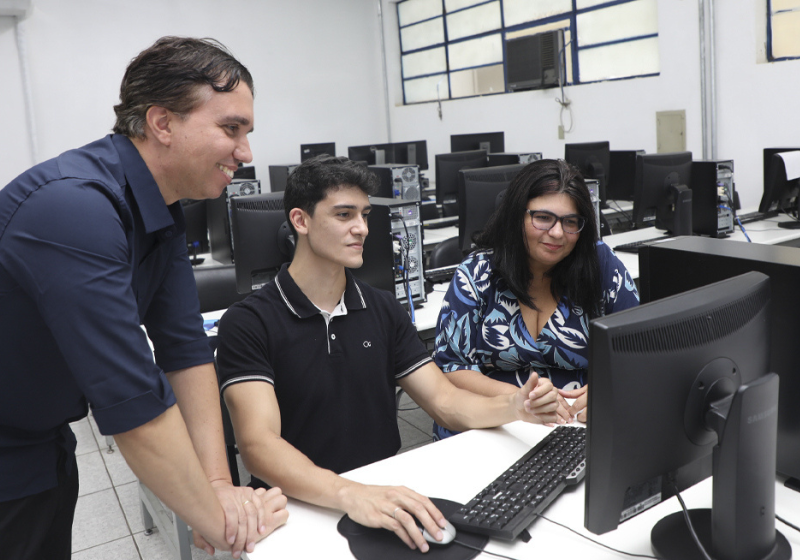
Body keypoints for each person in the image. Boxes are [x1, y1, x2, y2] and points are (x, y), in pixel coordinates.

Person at [0, 36, 288, 560]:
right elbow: (130, 400)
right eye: (231, 129)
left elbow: (185, 347)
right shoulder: (74, 207)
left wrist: (217, 485)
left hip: (42, 440)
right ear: (162, 123)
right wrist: (220, 523)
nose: (245, 153)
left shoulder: (160, 206)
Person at [215, 154, 563, 553]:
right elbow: (259, 445)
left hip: (380, 491)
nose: (362, 228)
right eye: (344, 215)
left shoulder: (381, 308)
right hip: (296, 506)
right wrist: (349, 493)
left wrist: (514, 406)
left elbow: (444, 401)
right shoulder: (248, 322)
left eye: (364, 214)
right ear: (300, 221)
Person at [432, 158, 639, 439]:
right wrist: (521, 401)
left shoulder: (601, 266)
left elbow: (636, 349)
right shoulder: (478, 273)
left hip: (576, 424)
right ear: (516, 216)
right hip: (492, 424)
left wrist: (607, 389)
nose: (557, 233)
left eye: (570, 222)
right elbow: (451, 366)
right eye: (543, 218)